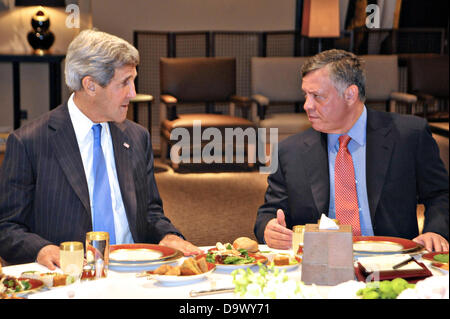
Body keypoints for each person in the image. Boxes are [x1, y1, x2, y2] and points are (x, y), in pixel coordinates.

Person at [0, 29, 202, 269]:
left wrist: (167, 236)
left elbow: (150, 212)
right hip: (72, 281)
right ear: (90, 85)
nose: (134, 93)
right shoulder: (29, 143)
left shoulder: (137, 138)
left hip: (136, 275)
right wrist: (42, 249)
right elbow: (7, 228)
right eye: (124, 83)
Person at [254, 49, 449, 252]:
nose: (307, 105)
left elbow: (440, 194)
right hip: (319, 264)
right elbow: (269, 212)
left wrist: (436, 231)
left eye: (317, 96)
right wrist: (268, 228)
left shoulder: (409, 136)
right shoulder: (289, 151)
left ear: (350, 94)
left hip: (394, 263)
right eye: (305, 95)